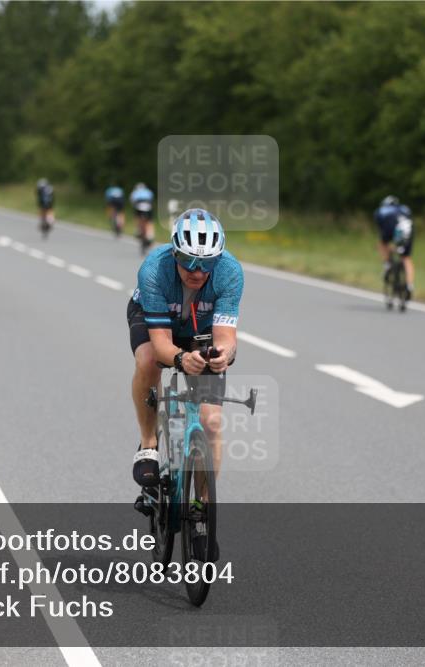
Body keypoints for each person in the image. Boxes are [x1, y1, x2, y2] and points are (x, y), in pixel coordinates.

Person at [127, 208, 243, 560]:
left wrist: (222, 356)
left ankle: (202, 510)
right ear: (174, 252)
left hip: (201, 328)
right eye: (189, 261)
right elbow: (162, 342)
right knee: (149, 359)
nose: (197, 271)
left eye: (206, 263)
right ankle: (149, 444)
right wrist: (179, 359)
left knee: (211, 421)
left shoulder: (230, 272)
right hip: (157, 323)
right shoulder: (154, 268)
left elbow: (226, 336)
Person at [374, 195, 415, 299]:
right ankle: (409, 285)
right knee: (406, 258)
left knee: (383, 244)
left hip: (391, 228)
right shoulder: (404, 209)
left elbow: (382, 229)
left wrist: (387, 244)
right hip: (407, 229)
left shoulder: (381, 210)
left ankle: (387, 265)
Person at [130, 182, 155, 253]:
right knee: (149, 222)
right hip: (148, 206)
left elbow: (132, 201)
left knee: (137, 219)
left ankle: (138, 230)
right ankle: (150, 235)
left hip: (139, 206)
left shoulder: (135, 192)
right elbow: (151, 200)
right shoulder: (148, 191)